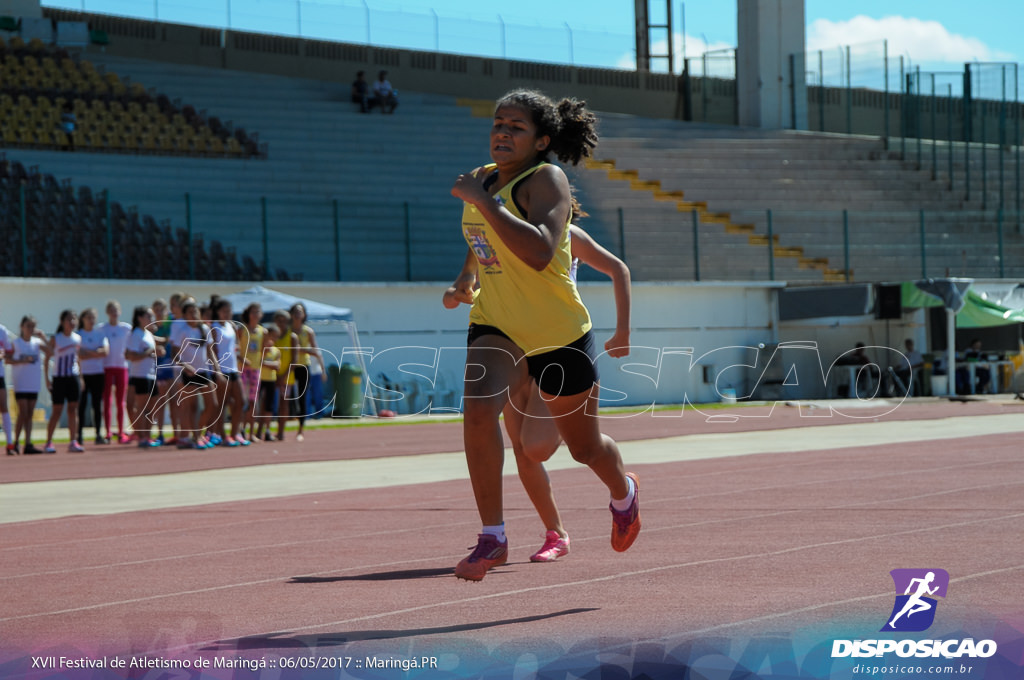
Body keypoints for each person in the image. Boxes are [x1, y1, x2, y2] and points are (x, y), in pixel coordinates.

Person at [446, 89, 640, 581]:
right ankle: (493, 535)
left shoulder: (546, 180)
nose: (502, 133)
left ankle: (624, 494)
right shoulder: (482, 182)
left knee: (584, 449)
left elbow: (537, 250)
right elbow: (482, 237)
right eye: (497, 123)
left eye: (516, 127)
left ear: (541, 140)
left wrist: (484, 201)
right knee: (476, 412)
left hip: (558, 335)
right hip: (498, 325)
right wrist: (465, 278)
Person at [443, 222, 632, 562]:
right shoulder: (492, 226)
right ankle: (555, 533)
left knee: (543, 447)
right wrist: (462, 283)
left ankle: (623, 490)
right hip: (510, 343)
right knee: (521, 450)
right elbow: (472, 261)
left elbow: (618, 267)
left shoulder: (567, 234)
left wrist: (623, 331)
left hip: (556, 345)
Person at [173, 299, 221, 450]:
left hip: (203, 371)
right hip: (189, 373)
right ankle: (193, 437)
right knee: (191, 407)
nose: (194, 315)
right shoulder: (183, 331)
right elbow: (175, 355)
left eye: (196, 312)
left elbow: (209, 350)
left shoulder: (204, 329)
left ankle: (198, 433)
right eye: (190, 313)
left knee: (212, 404)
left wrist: (217, 369)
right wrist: (185, 366)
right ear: (185, 315)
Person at [43, 309, 84, 453]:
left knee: (73, 409)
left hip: (73, 377)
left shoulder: (77, 338)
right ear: (62, 322)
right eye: (69, 319)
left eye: (74, 319)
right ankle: (49, 442)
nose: (72, 322)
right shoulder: (56, 338)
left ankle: (73, 441)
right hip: (59, 378)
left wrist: (81, 378)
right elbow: (47, 358)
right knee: (57, 410)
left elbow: (77, 358)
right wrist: (47, 380)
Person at [210, 298, 248, 447]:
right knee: (222, 404)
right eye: (224, 311)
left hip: (233, 369)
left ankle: (235, 433)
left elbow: (234, 346)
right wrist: (217, 370)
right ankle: (222, 435)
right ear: (218, 312)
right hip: (221, 370)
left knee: (241, 401)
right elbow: (212, 350)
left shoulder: (231, 325)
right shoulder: (213, 328)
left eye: (229, 311)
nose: (227, 313)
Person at [7, 316, 47, 454]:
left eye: (32, 326)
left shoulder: (37, 342)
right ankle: (16, 442)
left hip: (33, 382)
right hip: (21, 382)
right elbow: (7, 359)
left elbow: (52, 352)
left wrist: (43, 337)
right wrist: (21, 360)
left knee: (30, 414)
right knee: (22, 413)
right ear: (22, 326)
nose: (30, 329)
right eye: (28, 326)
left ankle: (28, 443)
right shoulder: (16, 343)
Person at [124, 306, 161, 448]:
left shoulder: (148, 334)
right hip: (140, 375)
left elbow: (149, 353)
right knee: (142, 408)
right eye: (148, 316)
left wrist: (157, 352)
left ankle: (147, 436)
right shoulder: (136, 334)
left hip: (151, 374)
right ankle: (141, 436)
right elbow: (131, 356)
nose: (152, 319)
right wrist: (149, 352)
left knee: (151, 408)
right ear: (140, 318)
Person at [289, 302, 326, 441]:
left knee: (303, 397)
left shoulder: (308, 331)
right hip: (289, 366)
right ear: (291, 314)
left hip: (303, 366)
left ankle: (300, 430)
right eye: (296, 312)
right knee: (287, 396)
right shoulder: (288, 330)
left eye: (300, 312)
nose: (298, 315)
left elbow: (316, 351)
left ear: (304, 315)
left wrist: (323, 369)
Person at [100, 300, 132, 444]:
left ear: (120, 312)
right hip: (106, 367)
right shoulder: (102, 328)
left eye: (116, 310)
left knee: (121, 401)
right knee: (107, 400)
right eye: (111, 310)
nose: (114, 313)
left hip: (121, 367)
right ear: (107, 312)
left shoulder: (126, 328)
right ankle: (107, 431)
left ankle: (120, 431)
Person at [77, 308, 110, 445]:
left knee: (97, 405)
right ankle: (79, 435)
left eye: (93, 318)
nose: (91, 321)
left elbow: (105, 352)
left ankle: (98, 434)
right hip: (83, 374)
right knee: (81, 405)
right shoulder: (78, 335)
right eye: (88, 318)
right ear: (83, 319)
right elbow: (79, 354)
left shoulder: (100, 334)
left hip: (98, 373)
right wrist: (95, 352)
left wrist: (88, 352)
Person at [239, 302, 265, 443]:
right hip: (243, 369)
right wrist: (242, 359)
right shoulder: (242, 330)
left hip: (255, 369)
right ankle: (240, 429)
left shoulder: (262, 332)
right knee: (242, 401)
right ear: (248, 314)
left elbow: (264, 351)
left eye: (258, 312)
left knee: (252, 402)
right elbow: (235, 348)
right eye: (253, 312)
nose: (255, 315)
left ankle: (251, 432)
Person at [272, 309, 299, 441]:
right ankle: (265, 430)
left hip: (287, 377)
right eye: (279, 321)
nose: (281, 323)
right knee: (269, 403)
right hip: (271, 375)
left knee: (284, 404)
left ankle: (281, 431)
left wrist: (283, 376)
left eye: (284, 321)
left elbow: (294, 359)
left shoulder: (292, 337)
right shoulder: (273, 336)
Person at [254, 324, 281, 442]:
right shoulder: (261, 350)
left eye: (276, 337)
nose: (273, 340)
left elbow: (277, 366)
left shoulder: (276, 351)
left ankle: (267, 430)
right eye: (272, 336)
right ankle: (255, 430)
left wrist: (267, 364)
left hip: (271, 380)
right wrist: (268, 363)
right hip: (260, 379)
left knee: (269, 406)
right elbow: (258, 362)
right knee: (257, 405)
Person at [0, 315, 13, 455]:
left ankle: (10, 443)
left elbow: (9, 353)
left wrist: (3, 355)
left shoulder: (2, 330)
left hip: (0, 375)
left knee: (4, 406)